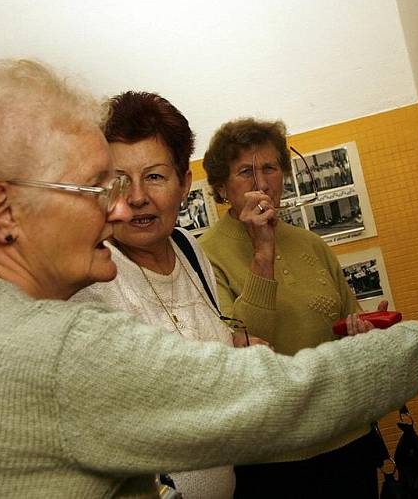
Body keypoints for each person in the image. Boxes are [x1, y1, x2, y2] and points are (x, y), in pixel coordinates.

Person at [0, 59, 418, 498]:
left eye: (146, 180)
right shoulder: (58, 347)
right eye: (95, 187)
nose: (120, 206)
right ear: (3, 212)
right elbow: (286, 395)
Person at [71, 91, 276, 498]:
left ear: (184, 183)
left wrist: (233, 349)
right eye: (118, 180)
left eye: (154, 176)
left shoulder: (188, 248)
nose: (136, 197)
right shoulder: (91, 276)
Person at [198, 118, 383, 497]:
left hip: (346, 434)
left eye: (270, 168)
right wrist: (262, 252)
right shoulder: (204, 255)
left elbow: (349, 317)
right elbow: (245, 349)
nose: (262, 183)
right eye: (245, 172)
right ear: (221, 187)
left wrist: (360, 331)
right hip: (271, 457)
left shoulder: (309, 243)